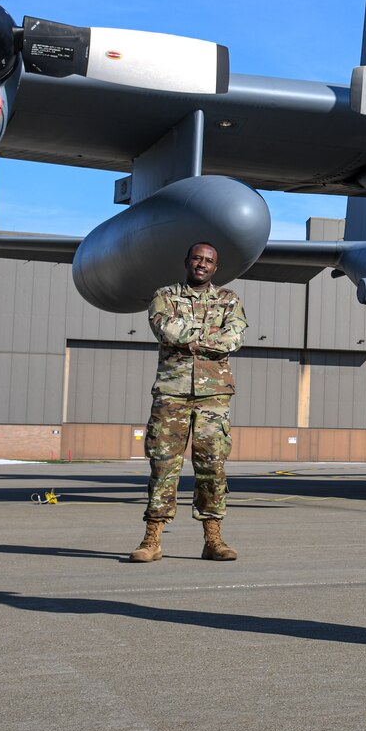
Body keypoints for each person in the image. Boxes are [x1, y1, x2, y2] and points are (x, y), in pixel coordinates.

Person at [128, 241, 248, 564]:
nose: (202, 264)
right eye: (197, 258)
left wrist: (190, 335)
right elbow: (165, 329)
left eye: (209, 260)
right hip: (172, 393)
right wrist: (210, 336)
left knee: (212, 465)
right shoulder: (164, 297)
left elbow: (234, 338)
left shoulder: (230, 300)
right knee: (164, 464)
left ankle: (213, 539)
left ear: (215, 268)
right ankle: (152, 539)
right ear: (187, 261)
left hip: (214, 396)